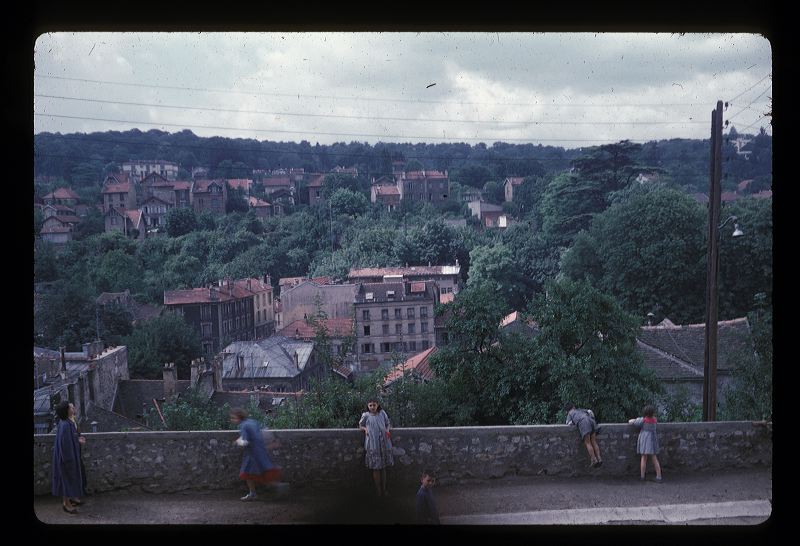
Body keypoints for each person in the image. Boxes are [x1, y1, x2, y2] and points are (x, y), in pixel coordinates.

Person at [230, 407, 280, 501]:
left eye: (233, 418)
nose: (232, 420)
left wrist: (237, 442)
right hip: (260, 450)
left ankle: (254, 493)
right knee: (262, 472)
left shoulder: (243, 426)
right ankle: (275, 489)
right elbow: (258, 433)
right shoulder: (252, 422)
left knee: (248, 473)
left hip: (252, 453)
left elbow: (245, 442)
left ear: (239, 417)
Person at [51, 400, 84, 514]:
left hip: (70, 455)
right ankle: (66, 503)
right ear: (66, 411)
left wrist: (78, 440)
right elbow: (64, 445)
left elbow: (71, 437)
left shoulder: (69, 421)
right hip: (66, 457)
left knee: (72, 477)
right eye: (71, 407)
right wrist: (68, 460)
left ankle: (72, 497)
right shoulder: (65, 425)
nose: (73, 407)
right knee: (66, 479)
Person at [358, 397, 394, 497]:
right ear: (368, 406)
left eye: (374, 405)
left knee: (384, 468)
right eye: (370, 405)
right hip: (373, 444)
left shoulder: (382, 413)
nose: (372, 407)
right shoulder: (365, 415)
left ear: (377, 405)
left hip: (384, 443)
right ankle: (378, 490)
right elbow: (360, 425)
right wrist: (365, 429)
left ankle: (384, 489)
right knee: (376, 468)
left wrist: (387, 430)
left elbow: (388, 423)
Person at [628, 404, 663, 482]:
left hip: (645, 440)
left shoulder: (643, 420)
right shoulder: (654, 420)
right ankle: (659, 476)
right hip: (652, 440)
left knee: (644, 458)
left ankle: (642, 476)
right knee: (654, 458)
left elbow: (631, 422)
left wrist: (634, 420)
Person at [564, 402, 602, 468]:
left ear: (567, 411)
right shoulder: (579, 410)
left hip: (584, 423)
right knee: (593, 441)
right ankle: (599, 458)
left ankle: (594, 460)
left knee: (587, 442)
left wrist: (574, 421)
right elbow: (590, 412)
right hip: (591, 421)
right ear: (573, 407)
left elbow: (568, 423)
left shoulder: (570, 414)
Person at [68, 404, 87, 507]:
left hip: (76, 452)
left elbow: (76, 434)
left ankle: (77, 495)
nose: (74, 409)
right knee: (74, 474)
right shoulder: (67, 423)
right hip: (71, 453)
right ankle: (73, 498)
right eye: (72, 407)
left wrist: (80, 438)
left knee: (80, 472)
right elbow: (68, 438)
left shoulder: (73, 420)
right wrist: (78, 440)